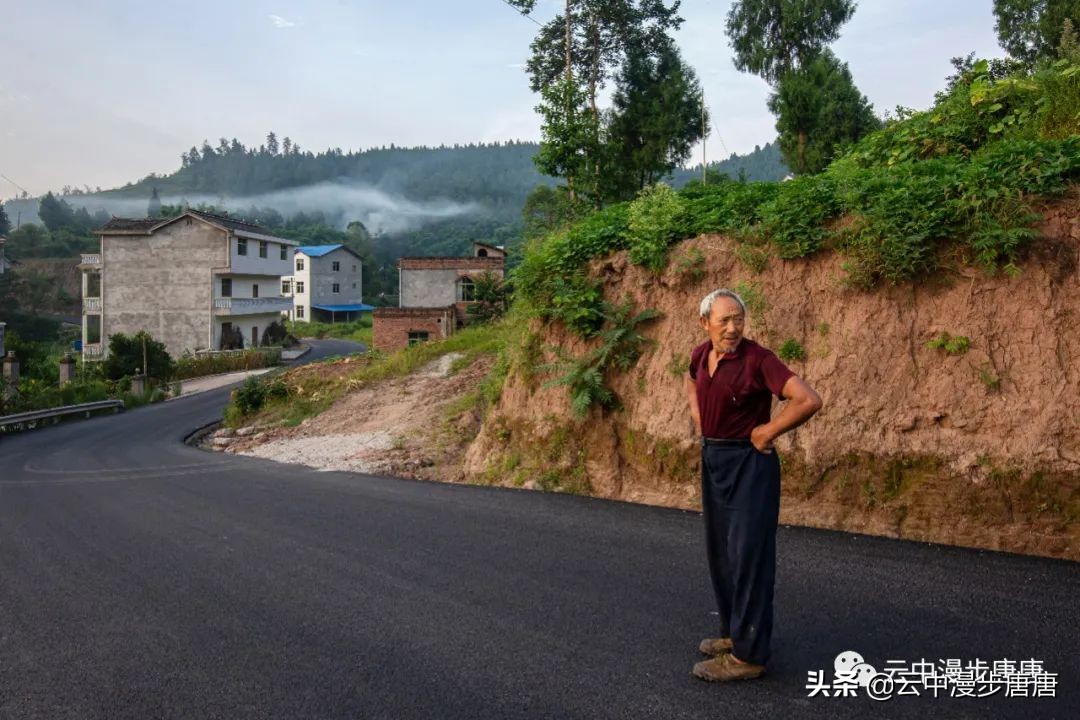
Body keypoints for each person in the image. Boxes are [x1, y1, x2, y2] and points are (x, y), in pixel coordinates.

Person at [686, 288, 822, 682]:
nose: (732, 328)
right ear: (705, 323)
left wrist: (767, 432)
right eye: (724, 320)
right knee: (722, 554)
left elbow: (807, 399)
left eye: (738, 319)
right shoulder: (700, 354)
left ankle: (750, 657)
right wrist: (699, 418)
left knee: (749, 557)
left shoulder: (758, 360)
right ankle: (734, 633)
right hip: (714, 461)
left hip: (749, 466)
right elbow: (690, 379)